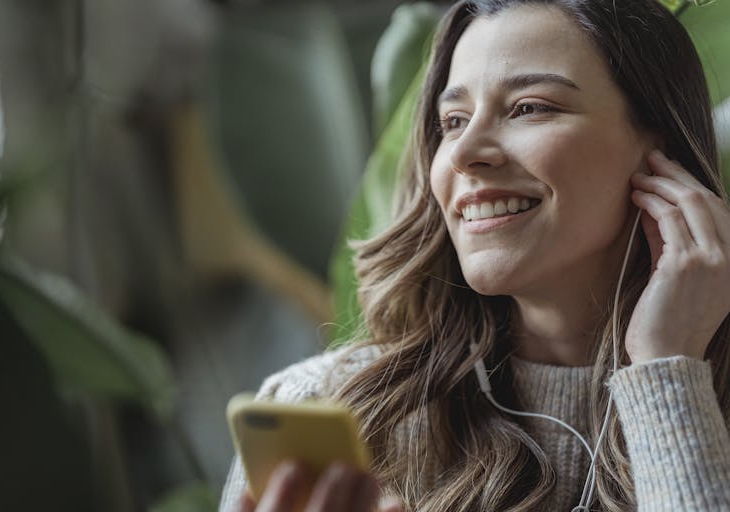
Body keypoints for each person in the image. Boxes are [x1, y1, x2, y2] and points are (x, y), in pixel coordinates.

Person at [220, 0, 730, 510]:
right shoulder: (328, 409)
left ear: (657, 149)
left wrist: (669, 368)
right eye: (454, 120)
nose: (465, 153)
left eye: (530, 107)